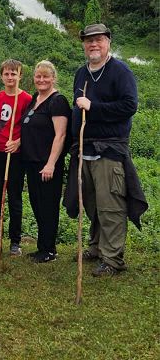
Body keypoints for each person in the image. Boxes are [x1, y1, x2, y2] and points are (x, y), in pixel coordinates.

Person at [63, 23, 148, 277]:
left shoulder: (120, 71)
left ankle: (113, 259)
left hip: (108, 151)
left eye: (98, 39)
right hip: (84, 151)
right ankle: (97, 247)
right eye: (89, 40)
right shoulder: (81, 73)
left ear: (108, 41)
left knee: (111, 206)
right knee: (92, 203)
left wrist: (94, 107)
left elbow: (129, 106)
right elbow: (76, 110)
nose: (93, 44)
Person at [20, 60, 70, 263]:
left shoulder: (58, 101)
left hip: (48, 165)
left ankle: (49, 250)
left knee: (48, 207)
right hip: (31, 162)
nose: (41, 80)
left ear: (53, 78)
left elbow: (61, 135)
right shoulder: (35, 99)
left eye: (45, 76)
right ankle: (42, 246)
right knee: (37, 205)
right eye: (38, 76)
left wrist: (50, 164)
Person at [0, 59, 32, 256]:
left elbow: (31, 128)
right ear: (1, 76)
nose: (10, 77)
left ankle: (15, 241)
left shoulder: (27, 99)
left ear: (20, 76)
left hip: (15, 154)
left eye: (14, 74)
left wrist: (19, 142)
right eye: (7, 74)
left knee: (14, 197)